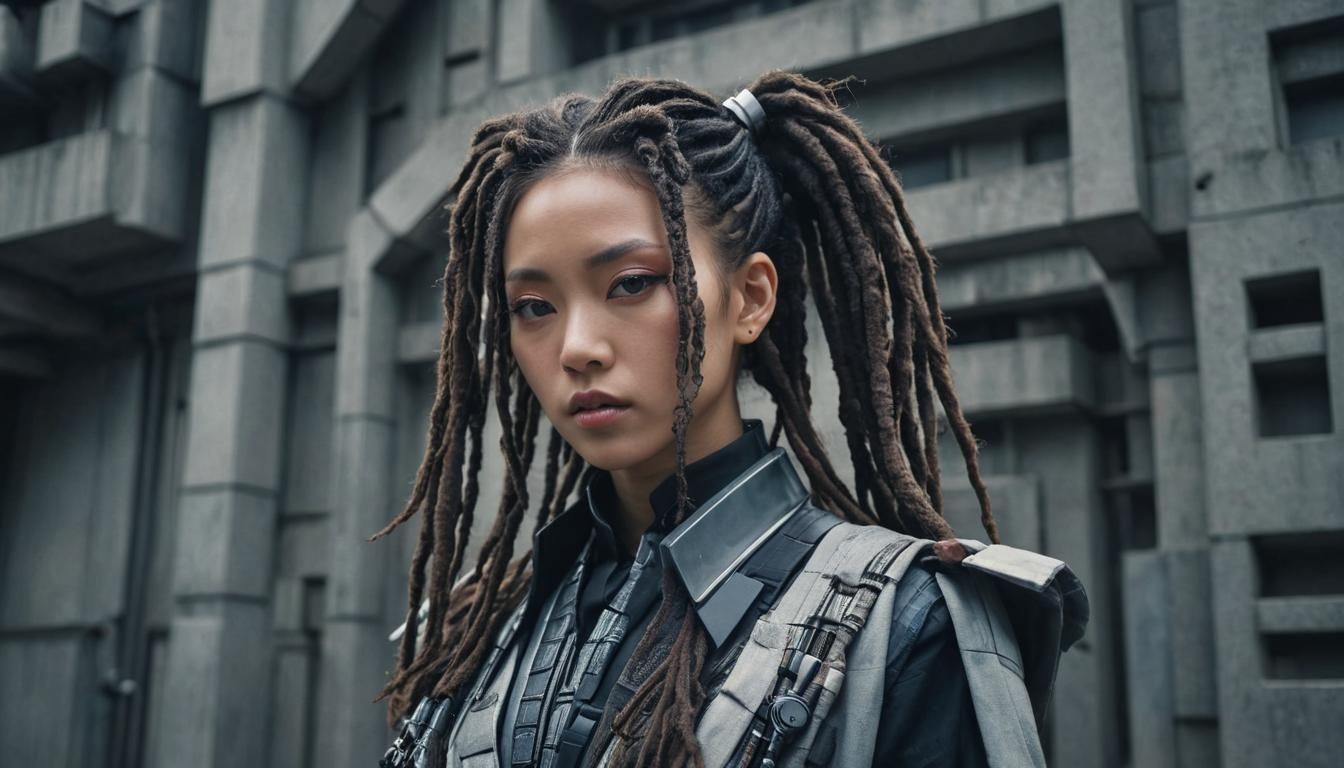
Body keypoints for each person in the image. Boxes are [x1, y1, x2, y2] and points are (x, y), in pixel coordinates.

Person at [372, 70, 1088, 768]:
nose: (576, 348)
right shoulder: (475, 626)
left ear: (750, 298)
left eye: (631, 284)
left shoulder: (908, 624)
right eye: (534, 307)